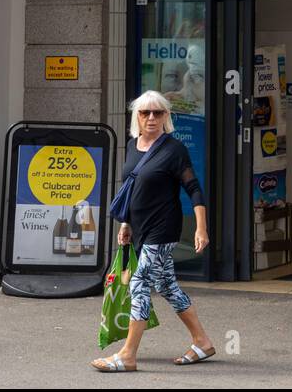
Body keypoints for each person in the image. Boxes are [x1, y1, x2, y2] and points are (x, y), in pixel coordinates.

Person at [91, 90, 215, 372]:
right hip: (140, 228)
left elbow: (193, 189)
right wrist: (126, 223)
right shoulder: (133, 145)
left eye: (157, 113)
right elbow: (134, 189)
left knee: (139, 283)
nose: (151, 118)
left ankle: (127, 355)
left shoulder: (174, 150)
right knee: (167, 285)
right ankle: (202, 341)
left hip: (163, 228)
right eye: (145, 112)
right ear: (136, 116)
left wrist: (201, 228)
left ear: (166, 117)